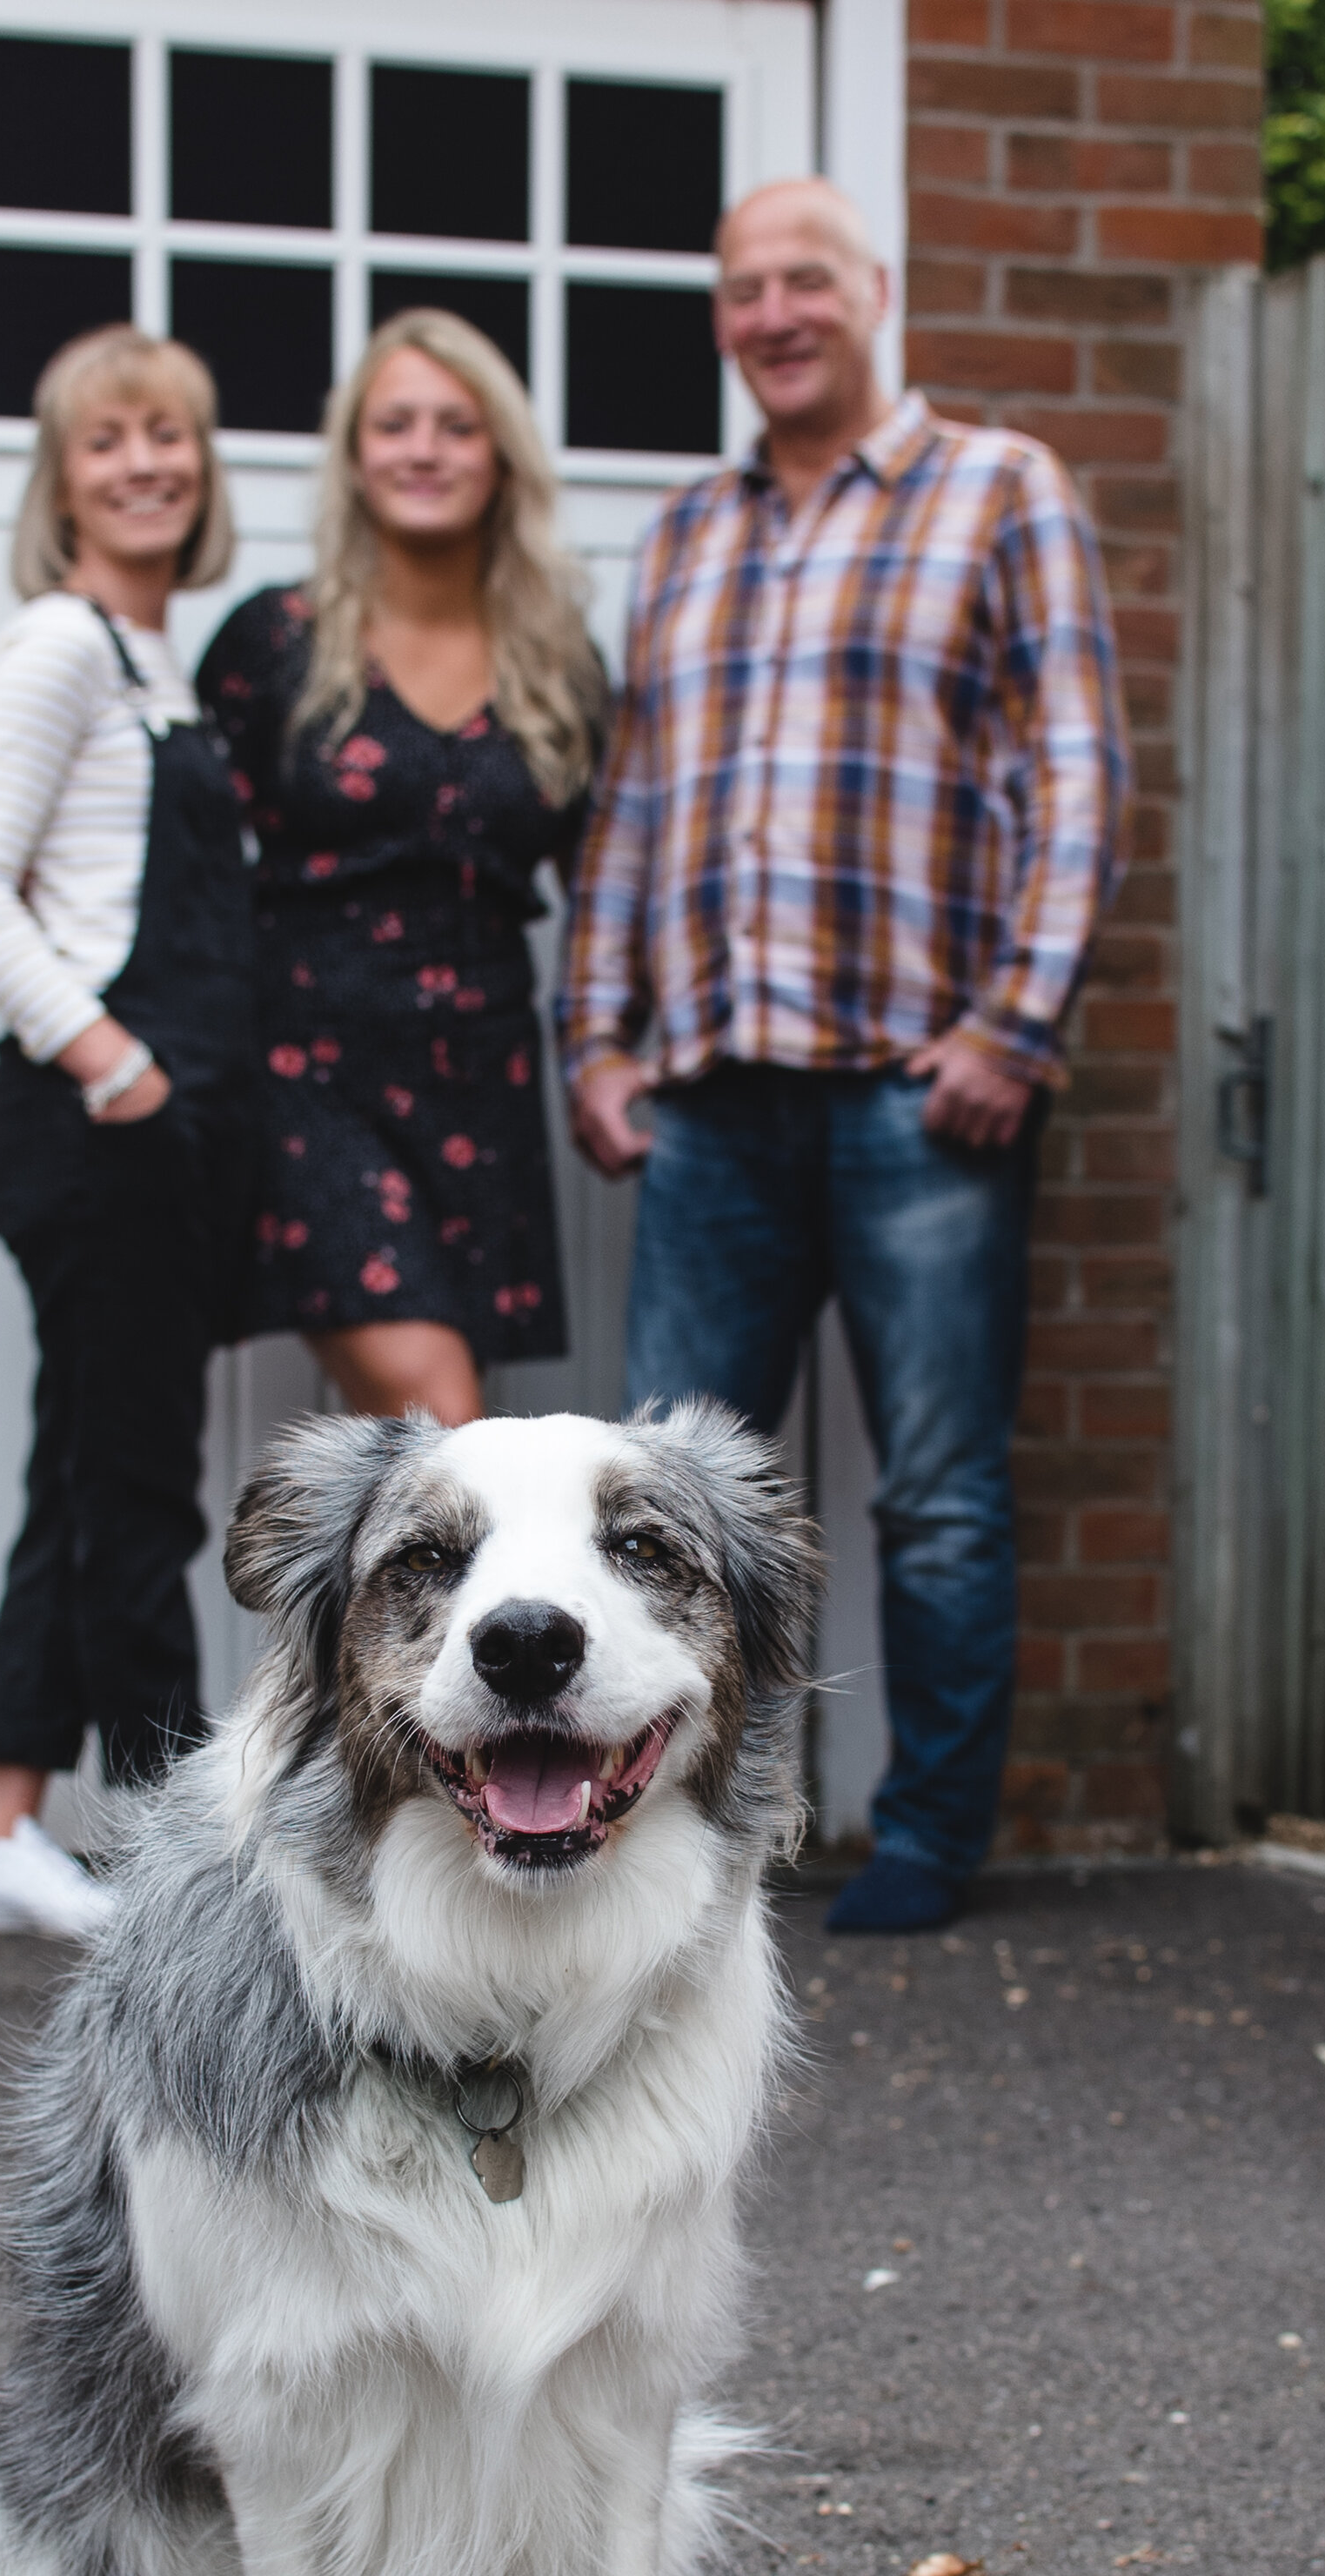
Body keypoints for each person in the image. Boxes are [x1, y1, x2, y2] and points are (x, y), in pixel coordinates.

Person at [560, 178, 1130, 1937]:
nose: (773, 311)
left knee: (939, 1497)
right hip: (711, 1104)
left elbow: (1076, 776)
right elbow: (632, 809)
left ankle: (924, 1839)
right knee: (664, 1500)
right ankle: (686, 1845)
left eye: (803, 277)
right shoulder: (680, 534)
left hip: (919, 1096)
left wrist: (1010, 1027)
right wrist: (594, 1030)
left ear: (871, 289)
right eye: (740, 289)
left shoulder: (998, 488)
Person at [0, 325, 257, 1937]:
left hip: (151, 1140)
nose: (146, 465)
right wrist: (111, 1059)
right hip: (94, 1128)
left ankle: (1, 1839)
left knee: (86, 1480)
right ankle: (181, 1864)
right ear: (62, 482)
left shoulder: (156, 664)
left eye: (171, 438)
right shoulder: (60, 646)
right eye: (109, 442)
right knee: (133, 1499)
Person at [199, 309, 606, 1425]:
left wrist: (614, 1052)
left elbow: (607, 885)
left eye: (456, 425)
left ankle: (354, 1612)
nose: (423, 449)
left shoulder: (561, 666)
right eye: (394, 424)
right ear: (353, 455)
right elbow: (183, 862)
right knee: (445, 1421)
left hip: (483, 1075)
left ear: (502, 456)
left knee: (418, 1461)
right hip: (311, 1074)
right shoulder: (271, 641)